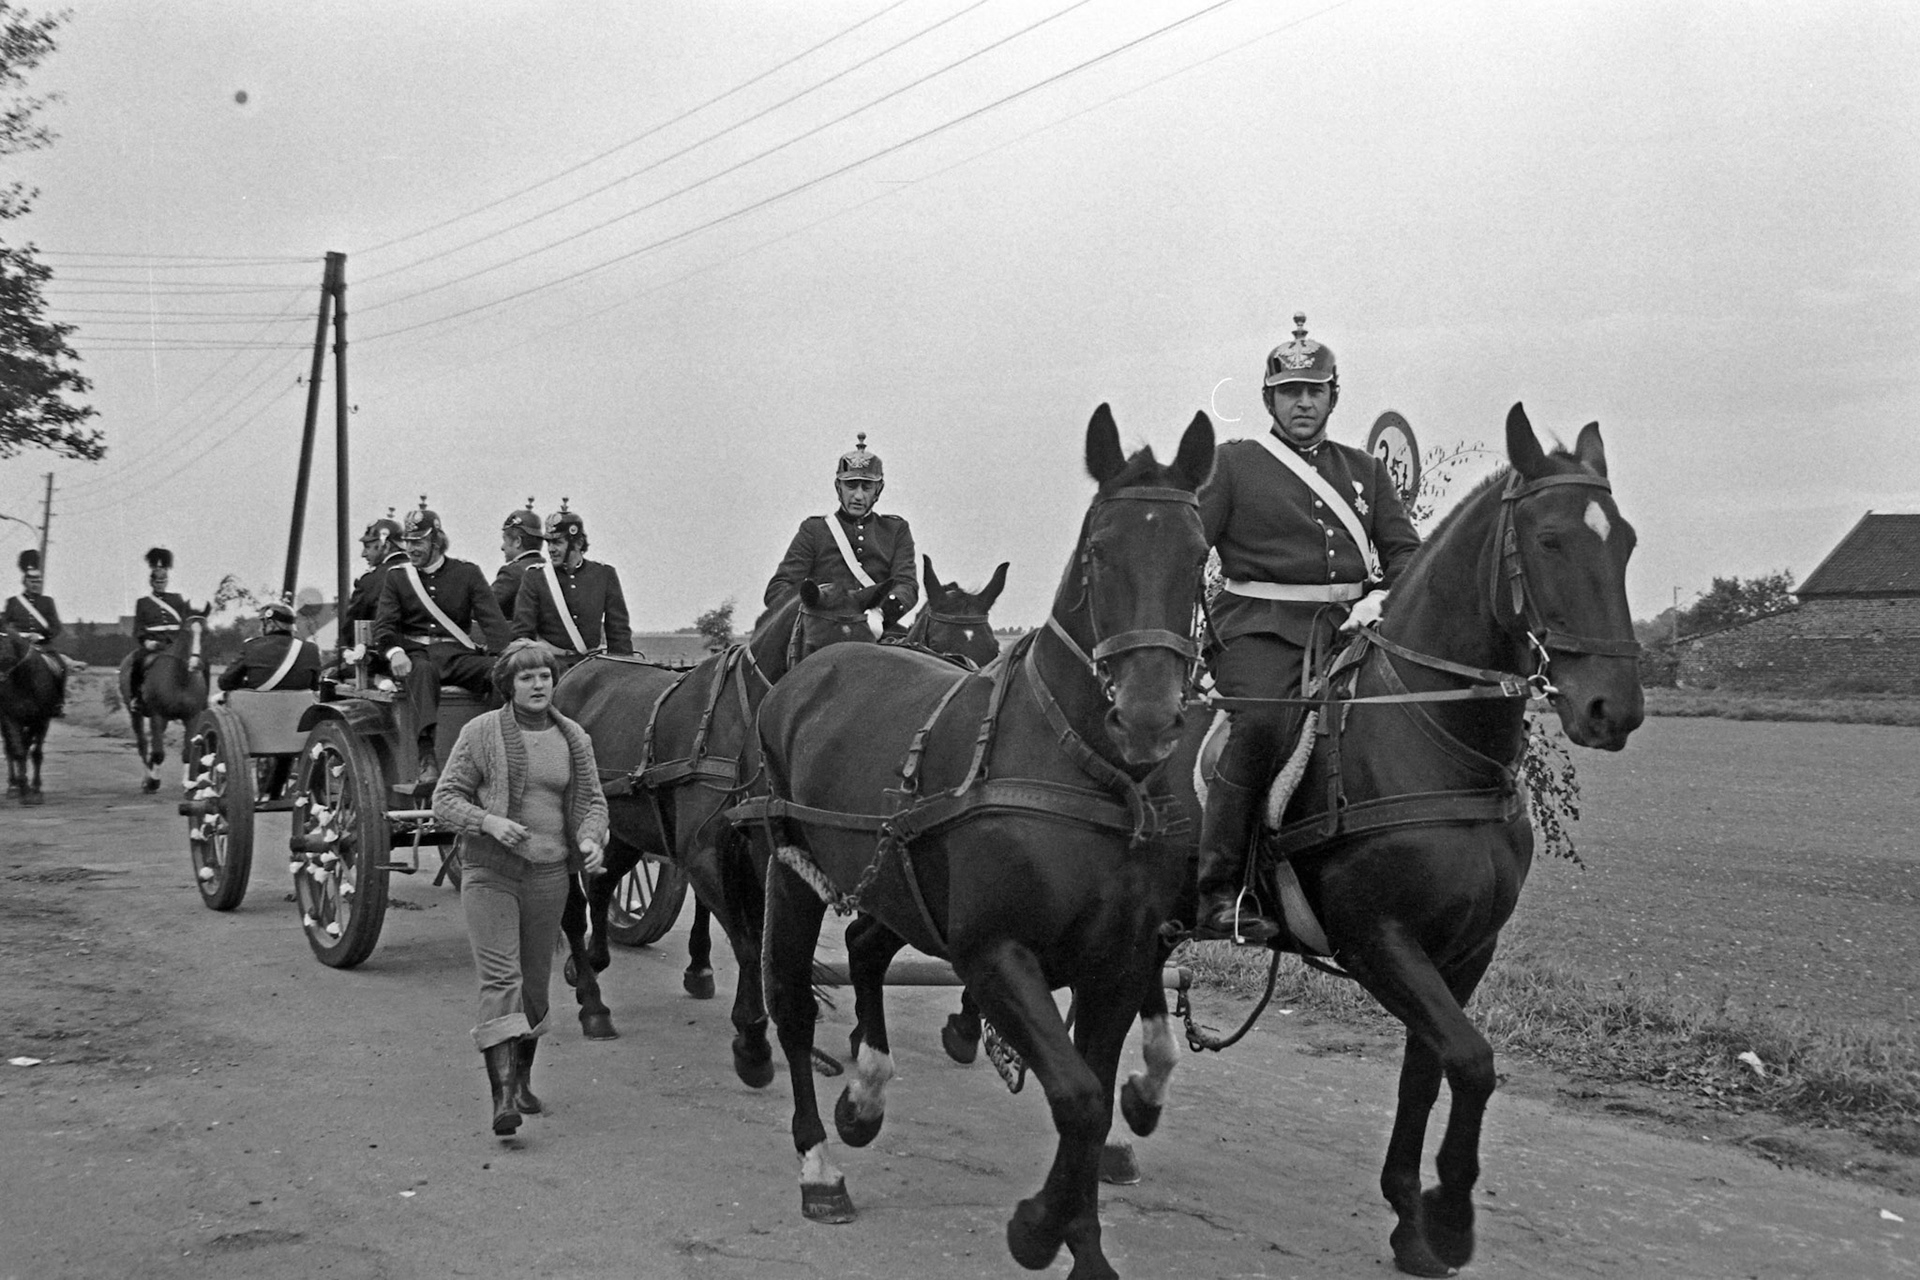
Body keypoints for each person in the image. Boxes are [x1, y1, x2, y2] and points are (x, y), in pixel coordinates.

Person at [1193, 315, 1421, 943]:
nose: (1303, 402)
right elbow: (1188, 550)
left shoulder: (1364, 472)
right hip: (1261, 635)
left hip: (1351, 629)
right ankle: (1221, 891)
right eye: (1290, 391)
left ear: (1331, 398)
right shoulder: (1233, 465)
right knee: (1263, 722)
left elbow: (1405, 554)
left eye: (1314, 391)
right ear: (1270, 399)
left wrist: (1383, 599)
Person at [432, 640, 609, 1138]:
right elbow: (445, 798)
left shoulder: (573, 737)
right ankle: (502, 1098)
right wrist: (488, 822)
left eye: (545, 677)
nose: (537, 685)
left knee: (534, 984)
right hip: (491, 873)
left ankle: (524, 1079)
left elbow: (594, 802)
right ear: (508, 686)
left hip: (551, 876)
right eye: (526, 678)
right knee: (501, 981)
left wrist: (592, 838)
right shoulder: (481, 732)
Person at [373, 500, 513, 787]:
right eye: (408, 542)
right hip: (416, 655)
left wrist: (508, 657)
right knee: (421, 672)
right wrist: (395, 651)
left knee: (503, 674)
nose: (411, 549)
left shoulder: (467, 573)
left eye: (418, 542)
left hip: (457, 655)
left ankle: (494, 751)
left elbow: (494, 624)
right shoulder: (397, 578)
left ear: (437, 541)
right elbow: (384, 626)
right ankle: (427, 759)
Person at [763, 432, 917, 636]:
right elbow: (779, 587)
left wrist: (880, 612)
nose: (858, 495)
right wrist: (814, 611)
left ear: (878, 490)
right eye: (851, 485)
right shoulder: (814, 530)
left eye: (867, 486)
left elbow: (906, 585)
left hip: (878, 629)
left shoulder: (896, 530)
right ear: (839, 487)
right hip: (823, 631)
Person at [511, 500, 633, 669]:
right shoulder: (535, 577)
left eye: (558, 543)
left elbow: (618, 632)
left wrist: (623, 670)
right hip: (552, 667)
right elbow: (523, 634)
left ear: (578, 543)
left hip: (592, 667)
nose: (551, 549)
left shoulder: (604, 575)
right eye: (549, 543)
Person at [129, 547, 194, 716]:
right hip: (154, 645)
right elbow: (138, 629)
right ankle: (136, 698)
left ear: (167, 581)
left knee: (201, 664)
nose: (161, 584)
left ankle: (200, 700)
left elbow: (185, 624)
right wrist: (147, 642)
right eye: (158, 582)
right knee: (137, 662)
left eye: (164, 581)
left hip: (174, 645)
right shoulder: (143, 603)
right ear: (151, 582)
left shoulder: (177, 599)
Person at [3, 549, 68, 716]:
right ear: (25, 581)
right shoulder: (13, 602)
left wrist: (40, 636)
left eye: (38, 581)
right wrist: (16, 636)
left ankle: (58, 703)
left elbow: (56, 626)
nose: (36, 584)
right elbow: (3, 624)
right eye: (32, 580)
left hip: (42, 646)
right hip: (17, 647)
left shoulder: (47, 602)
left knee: (61, 667)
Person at [217, 596, 321, 694]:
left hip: (258, 710)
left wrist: (248, 685)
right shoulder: (311, 649)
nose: (260, 628)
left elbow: (225, 682)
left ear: (271, 624)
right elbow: (315, 686)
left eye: (263, 623)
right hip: (300, 711)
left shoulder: (251, 647)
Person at [493, 498, 545, 616]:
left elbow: (484, 608)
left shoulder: (512, 573)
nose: (502, 547)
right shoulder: (549, 571)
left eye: (505, 540)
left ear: (517, 541)